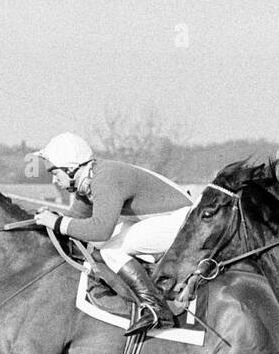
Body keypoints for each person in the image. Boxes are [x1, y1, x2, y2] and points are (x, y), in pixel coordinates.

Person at [30, 132, 190, 335]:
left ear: (70, 168)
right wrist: (50, 222)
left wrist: (58, 222)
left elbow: (100, 230)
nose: (54, 180)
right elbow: (75, 220)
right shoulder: (88, 180)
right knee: (110, 246)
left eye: (55, 172)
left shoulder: (104, 178)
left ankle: (156, 308)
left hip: (182, 222)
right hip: (165, 220)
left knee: (111, 248)